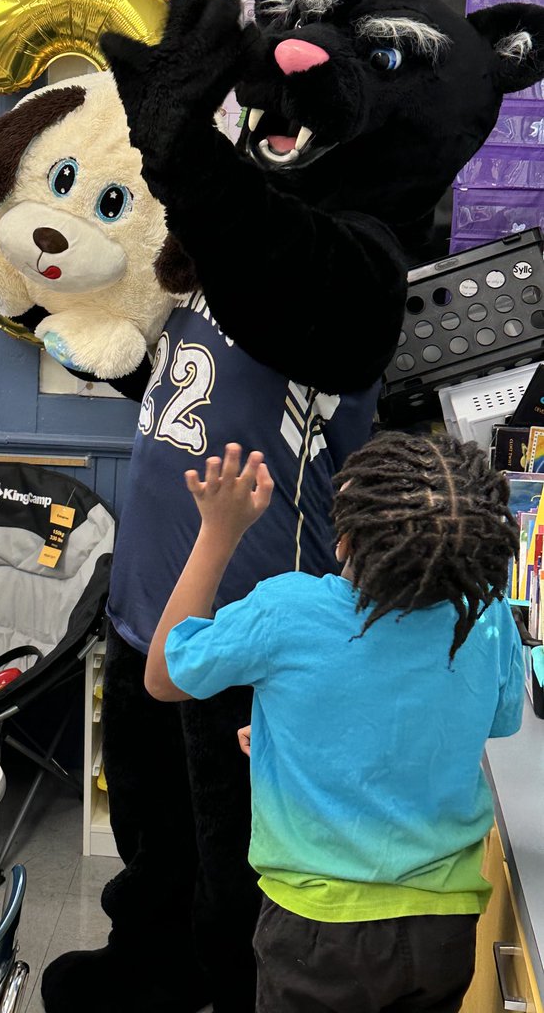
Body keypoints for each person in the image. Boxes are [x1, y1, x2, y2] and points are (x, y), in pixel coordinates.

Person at [145, 433, 524, 1013]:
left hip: (318, 930)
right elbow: (489, 720)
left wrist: (219, 532)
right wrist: (299, 730)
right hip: (443, 926)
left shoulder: (286, 610)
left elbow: (163, 677)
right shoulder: (488, 616)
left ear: (346, 539)